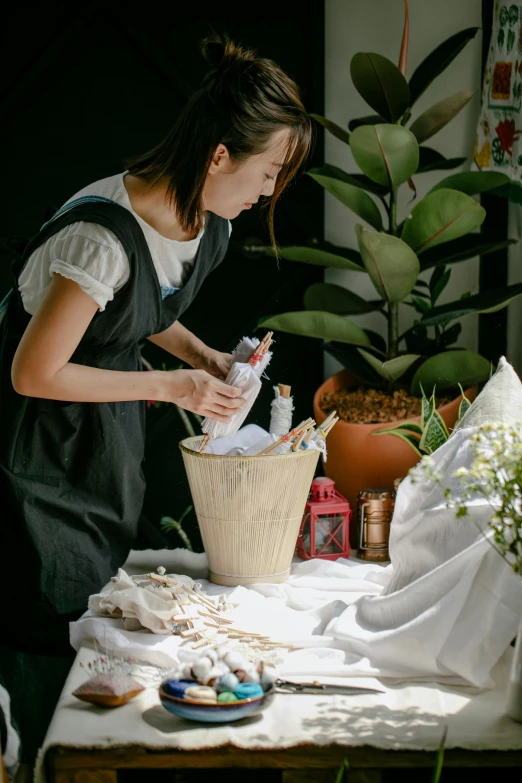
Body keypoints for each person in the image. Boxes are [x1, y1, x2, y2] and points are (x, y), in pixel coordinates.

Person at [0, 33, 312, 767]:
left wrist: (204, 356)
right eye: (269, 172)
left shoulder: (207, 223)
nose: (269, 192)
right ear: (219, 158)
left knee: (86, 624)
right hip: (33, 456)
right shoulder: (101, 237)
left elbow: (137, 312)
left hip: (96, 446)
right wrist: (173, 385)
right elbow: (33, 370)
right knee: (43, 640)